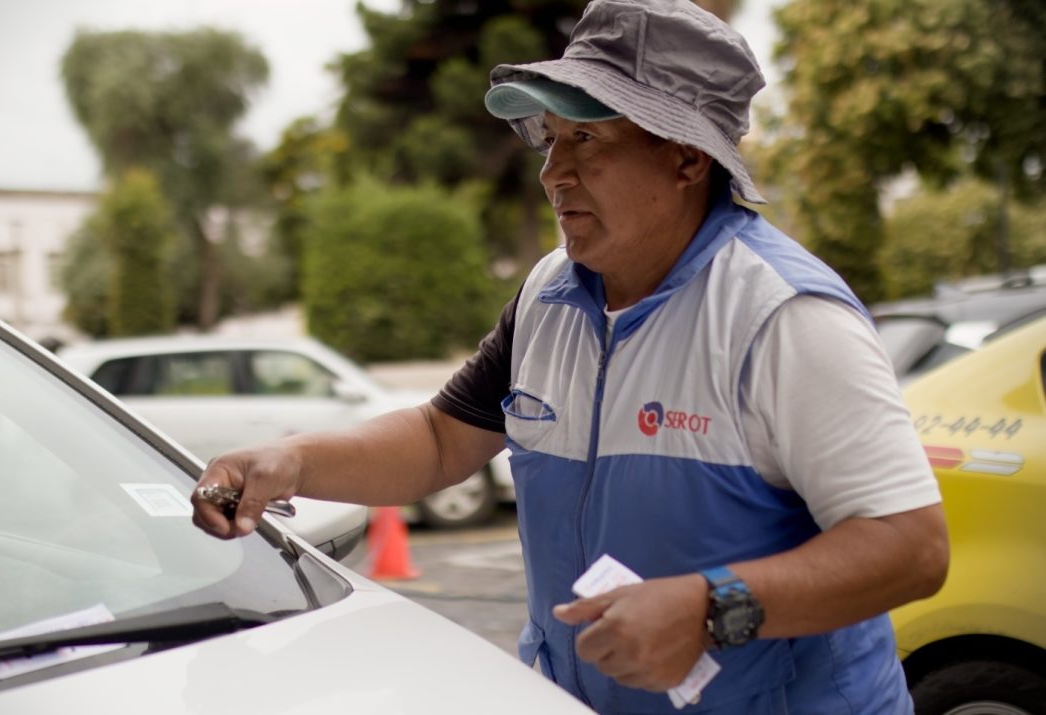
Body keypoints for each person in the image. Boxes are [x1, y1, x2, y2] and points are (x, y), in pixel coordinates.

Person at [192, 0, 949, 711]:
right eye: (551, 138)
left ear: (687, 158)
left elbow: (912, 548)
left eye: (588, 138)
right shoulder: (550, 291)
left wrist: (710, 608)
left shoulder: (783, 316)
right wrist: (292, 461)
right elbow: (440, 438)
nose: (555, 172)